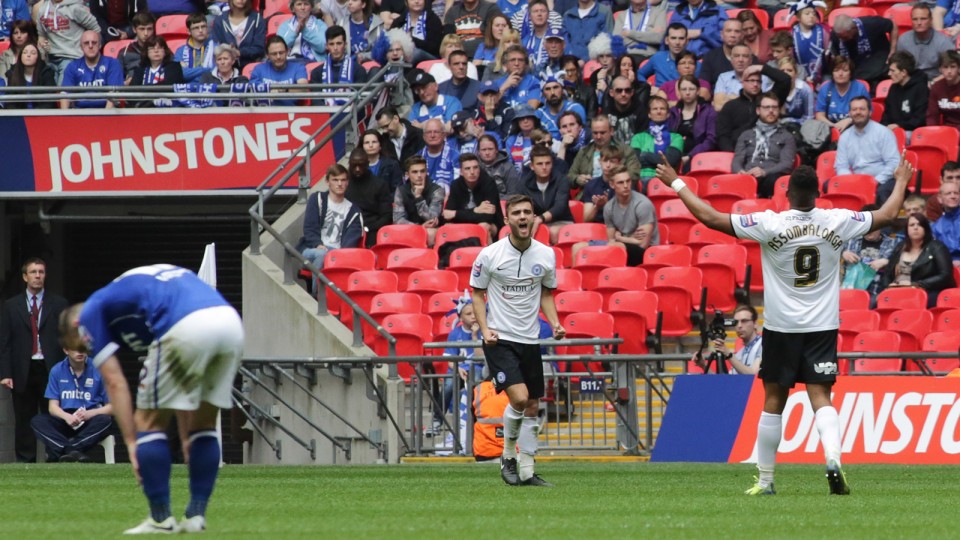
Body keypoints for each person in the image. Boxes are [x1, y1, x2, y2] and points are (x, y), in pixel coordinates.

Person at [655, 147, 914, 496]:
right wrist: (900, 181)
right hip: (822, 327)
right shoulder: (836, 219)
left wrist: (678, 184)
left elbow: (713, 218)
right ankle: (833, 459)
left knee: (773, 401)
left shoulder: (769, 222)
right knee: (821, 395)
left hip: (781, 328)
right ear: (818, 194)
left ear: (787, 194)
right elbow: (886, 213)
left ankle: (765, 481)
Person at [58, 264, 243, 534]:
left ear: (77, 325)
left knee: (147, 423)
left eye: (83, 344)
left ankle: (160, 519)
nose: (88, 349)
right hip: (229, 323)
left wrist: (132, 444)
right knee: (202, 425)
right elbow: (180, 385)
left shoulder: (91, 311)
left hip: (185, 326)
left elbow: (115, 381)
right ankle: (195, 516)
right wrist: (184, 435)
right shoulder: (134, 293)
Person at [469, 193, 565, 487]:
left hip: (530, 339)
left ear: (534, 218)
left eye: (528, 212)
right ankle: (508, 457)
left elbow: (547, 294)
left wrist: (556, 323)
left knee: (533, 405)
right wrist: (485, 330)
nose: (523, 217)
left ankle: (527, 469)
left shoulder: (546, 255)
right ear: (507, 219)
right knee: (520, 398)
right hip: (500, 339)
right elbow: (476, 293)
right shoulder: (490, 255)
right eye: (517, 213)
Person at [0, 258, 69, 463]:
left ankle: (55, 456)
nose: (37, 276)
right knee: (23, 416)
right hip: (23, 367)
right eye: (33, 272)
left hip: (51, 367)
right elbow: (5, 341)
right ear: (24, 277)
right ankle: (25, 460)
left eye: (41, 272)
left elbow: (65, 337)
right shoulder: (11, 306)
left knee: (54, 413)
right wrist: (5, 373)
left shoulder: (59, 304)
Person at [30, 345, 114, 463]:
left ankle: (66, 451)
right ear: (66, 350)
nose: (80, 352)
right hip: (66, 419)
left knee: (105, 420)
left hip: (90, 418)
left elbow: (112, 407)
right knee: (38, 421)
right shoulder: (57, 370)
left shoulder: (99, 369)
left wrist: (90, 414)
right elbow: (52, 407)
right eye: (75, 348)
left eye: (83, 348)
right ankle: (74, 452)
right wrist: (66, 417)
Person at [573, 165, 658, 265]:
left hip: (645, 252)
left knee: (616, 247)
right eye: (620, 182)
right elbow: (611, 240)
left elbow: (642, 244)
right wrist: (627, 239)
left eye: (628, 181)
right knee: (577, 248)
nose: (626, 186)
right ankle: (580, 278)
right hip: (621, 245)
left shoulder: (643, 204)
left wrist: (620, 238)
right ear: (612, 185)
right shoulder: (609, 207)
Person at [297, 163, 364, 272]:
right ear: (327, 182)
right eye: (335, 180)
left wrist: (339, 255)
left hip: (337, 254)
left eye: (343, 180)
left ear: (347, 182)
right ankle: (318, 289)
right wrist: (318, 244)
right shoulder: (317, 199)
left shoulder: (354, 211)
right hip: (312, 249)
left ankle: (320, 288)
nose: (339, 184)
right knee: (322, 254)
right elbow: (309, 228)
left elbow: (351, 241)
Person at [879, 214, 957, 306]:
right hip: (900, 291)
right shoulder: (900, 247)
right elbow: (887, 274)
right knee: (877, 303)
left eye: (919, 225)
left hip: (930, 291)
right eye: (912, 225)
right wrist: (888, 287)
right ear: (907, 229)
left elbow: (945, 275)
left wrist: (916, 285)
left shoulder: (937, 247)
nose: (915, 228)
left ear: (926, 228)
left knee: (911, 302)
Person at [835, 97, 901, 204]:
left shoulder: (883, 133)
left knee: (882, 192)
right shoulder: (844, 137)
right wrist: (850, 181)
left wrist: (874, 182)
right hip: (855, 181)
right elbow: (841, 166)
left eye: (862, 109)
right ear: (850, 113)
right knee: (830, 185)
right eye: (854, 109)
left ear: (870, 112)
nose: (858, 112)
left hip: (881, 181)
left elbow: (894, 164)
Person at [732, 91, 797, 198]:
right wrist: (740, 171)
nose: (771, 111)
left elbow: (786, 165)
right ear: (758, 110)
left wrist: (764, 172)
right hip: (748, 177)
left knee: (773, 180)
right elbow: (737, 159)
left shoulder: (786, 136)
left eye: (774, 107)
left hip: (770, 179)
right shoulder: (746, 135)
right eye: (767, 107)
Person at [715, 63, 791, 152]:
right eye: (751, 80)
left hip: (767, 152)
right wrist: (732, 154)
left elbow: (785, 80)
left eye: (758, 81)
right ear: (742, 82)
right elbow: (723, 136)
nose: (755, 84)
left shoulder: (769, 101)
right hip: (738, 153)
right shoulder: (730, 106)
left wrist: (761, 68)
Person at [33, 0, 101, 83]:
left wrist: (89, 51)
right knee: (49, 93)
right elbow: (41, 35)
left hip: (72, 57)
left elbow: (95, 29)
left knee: (63, 92)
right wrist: (42, 46)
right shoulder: (42, 10)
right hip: (50, 59)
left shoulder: (75, 8)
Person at [443, 153, 505, 242]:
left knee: (483, 226)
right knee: (447, 227)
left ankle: (488, 255)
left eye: (475, 167)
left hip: (492, 225)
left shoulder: (488, 183)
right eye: (467, 169)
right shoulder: (455, 185)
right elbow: (447, 215)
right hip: (464, 224)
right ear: (461, 172)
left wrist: (457, 214)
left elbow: (488, 216)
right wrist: (476, 210)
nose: (472, 172)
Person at [841, 204, 897, 302]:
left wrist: (887, 261)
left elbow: (903, 264)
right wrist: (842, 253)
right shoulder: (850, 241)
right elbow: (828, 251)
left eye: (872, 226)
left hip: (878, 292)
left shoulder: (892, 243)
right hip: (850, 291)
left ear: (880, 225)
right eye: (866, 226)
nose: (869, 230)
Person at [568, 115, 641, 189]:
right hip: (588, 194)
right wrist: (577, 179)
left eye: (602, 133)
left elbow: (634, 174)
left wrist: (614, 178)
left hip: (617, 193)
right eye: (595, 133)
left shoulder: (626, 150)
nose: (598, 137)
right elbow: (570, 176)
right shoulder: (583, 152)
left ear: (611, 131)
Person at [59, 31, 124, 109]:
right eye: (86, 43)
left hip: (106, 112)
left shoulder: (112, 63)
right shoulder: (72, 66)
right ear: (81, 47)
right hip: (79, 114)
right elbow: (65, 94)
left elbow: (113, 94)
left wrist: (106, 116)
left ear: (100, 45)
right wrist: (65, 118)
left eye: (94, 42)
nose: (90, 46)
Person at [830, 14, 897, 90]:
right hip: (857, 72)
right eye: (840, 37)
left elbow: (893, 25)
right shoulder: (836, 36)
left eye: (845, 37)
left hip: (881, 66)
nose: (842, 40)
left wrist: (893, 50)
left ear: (853, 29)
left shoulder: (871, 23)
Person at [522, 144, 573, 244]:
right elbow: (520, 205)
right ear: (532, 166)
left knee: (553, 232)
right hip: (535, 222)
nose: (544, 167)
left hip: (561, 221)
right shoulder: (524, 183)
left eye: (548, 163)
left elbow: (560, 206)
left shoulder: (561, 180)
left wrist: (540, 219)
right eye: (540, 164)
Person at [694, 304, 763, 374]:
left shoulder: (765, 345)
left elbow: (754, 376)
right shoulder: (739, 354)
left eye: (744, 321)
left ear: (755, 324)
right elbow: (725, 382)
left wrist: (729, 354)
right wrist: (703, 365)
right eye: (736, 322)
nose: (739, 326)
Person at [631, 95, 683, 187]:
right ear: (649, 114)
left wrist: (645, 155)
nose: (659, 111)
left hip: (665, 180)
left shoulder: (676, 137)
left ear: (668, 114)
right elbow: (634, 161)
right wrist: (657, 159)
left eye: (662, 109)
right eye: (655, 109)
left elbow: (671, 161)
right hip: (640, 179)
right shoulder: (638, 137)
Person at [345, 147, 392, 247]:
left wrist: (368, 228)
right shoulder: (343, 184)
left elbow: (387, 215)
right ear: (349, 164)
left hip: (372, 229)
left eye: (361, 165)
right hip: (346, 227)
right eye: (354, 165)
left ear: (367, 164)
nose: (357, 169)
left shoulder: (379, 185)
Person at [668, 74, 717, 169]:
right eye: (684, 89)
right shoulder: (672, 112)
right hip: (675, 154)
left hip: (699, 156)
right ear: (679, 92)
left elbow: (711, 140)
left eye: (691, 89)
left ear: (698, 91)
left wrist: (690, 156)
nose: (687, 93)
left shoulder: (709, 112)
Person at [392, 155, 444, 245]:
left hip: (431, 230)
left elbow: (432, 218)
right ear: (407, 174)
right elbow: (398, 219)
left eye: (422, 171)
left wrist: (418, 197)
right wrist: (419, 227)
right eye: (415, 172)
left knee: (430, 233)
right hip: (409, 229)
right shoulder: (401, 190)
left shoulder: (437, 190)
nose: (419, 175)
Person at [813, 56, 870, 133]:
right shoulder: (825, 88)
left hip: (855, 128)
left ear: (850, 73)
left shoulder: (860, 88)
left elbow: (868, 113)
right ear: (832, 73)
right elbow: (819, 115)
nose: (840, 74)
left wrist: (849, 120)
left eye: (845, 70)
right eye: (836, 70)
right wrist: (834, 126)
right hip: (830, 128)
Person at [899, 3, 954, 81]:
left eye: (923, 19)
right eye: (915, 19)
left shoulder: (943, 42)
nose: (919, 22)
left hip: (936, 83)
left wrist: (933, 83)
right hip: (911, 82)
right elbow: (899, 67)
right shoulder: (903, 40)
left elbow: (953, 70)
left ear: (931, 20)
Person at [882, 51, 929, 136]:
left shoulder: (921, 89)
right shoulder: (893, 88)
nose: (889, 74)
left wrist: (899, 125)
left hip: (913, 132)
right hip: (892, 131)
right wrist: (885, 126)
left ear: (903, 72)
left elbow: (919, 119)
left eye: (893, 71)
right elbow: (886, 114)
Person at [713, 44, 770, 112]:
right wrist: (747, 100)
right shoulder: (723, 77)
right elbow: (718, 106)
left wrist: (731, 98)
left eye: (745, 56)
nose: (740, 60)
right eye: (737, 56)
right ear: (731, 60)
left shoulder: (763, 78)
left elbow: (764, 107)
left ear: (751, 60)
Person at [251, 36, 307, 106]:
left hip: (290, 113)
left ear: (287, 52)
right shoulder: (258, 69)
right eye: (274, 54)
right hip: (264, 112)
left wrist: (283, 90)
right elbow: (252, 91)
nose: (278, 57)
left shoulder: (298, 68)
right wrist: (270, 91)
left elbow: (303, 88)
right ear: (267, 55)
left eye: (281, 53)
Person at [210, 0, 266, 68]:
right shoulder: (220, 20)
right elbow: (216, 46)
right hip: (226, 68)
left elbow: (259, 48)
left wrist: (239, 52)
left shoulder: (257, 19)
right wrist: (228, 50)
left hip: (251, 67)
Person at [4, 43, 57, 109]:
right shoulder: (12, 73)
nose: (28, 55)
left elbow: (49, 101)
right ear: (20, 56)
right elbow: (10, 102)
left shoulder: (46, 72)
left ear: (38, 57)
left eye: (33, 53)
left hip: (42, 115)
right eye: (25, 53)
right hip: (19, 116)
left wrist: (34, 115)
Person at [602, 75, 651, 145]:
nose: (623, 94)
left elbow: (643, 141)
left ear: (632, 93)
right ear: (611, 93)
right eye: (619, 90)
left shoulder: (641, 112)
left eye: (627, 90)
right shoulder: (606, 111)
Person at [787, 0, 827, 85]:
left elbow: (828, 56)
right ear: (798, 18)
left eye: (814, 13)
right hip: (799, 76)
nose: (811, 16)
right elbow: (790, 59)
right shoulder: (792, 34)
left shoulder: (823, 31)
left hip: (822, 74)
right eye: (807, 14)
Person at [698, 18, 745, 90]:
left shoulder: (750, 58)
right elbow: (704, 84)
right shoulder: (710, 56)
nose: (732, 35)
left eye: (737, 31)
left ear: (742, 36)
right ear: (722, 34)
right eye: (729, 31)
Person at [535, 75, 586, 140]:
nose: (552, 92)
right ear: (543, 93)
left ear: (562, 90)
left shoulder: (576, 109)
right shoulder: (539, 114)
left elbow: (582, 136)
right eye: (547, 89)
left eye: (556, 87)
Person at [580, 144, 622, 224]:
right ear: (600, 161)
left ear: (619, 163)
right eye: (605, 160)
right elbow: (586, 219)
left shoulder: (624, 183)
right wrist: (597, 207)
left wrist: (607, 205)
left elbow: (626, 218)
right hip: (596, 228)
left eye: (612, 161)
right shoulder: (591, 185)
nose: (608, 165)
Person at [419, 117, 461, 189]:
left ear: (444, 135)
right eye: (429, 132)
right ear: (424, 136)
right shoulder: (417, 157)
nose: (432, 135)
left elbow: (458, 184)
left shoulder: (455, 157)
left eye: (436, 132)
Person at [478, 135, 523, 200]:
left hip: (503, 205)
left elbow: (514, 196)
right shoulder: (474, 167)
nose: (487, 153)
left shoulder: (508, 167)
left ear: (496, 150)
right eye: (483, 150)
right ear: (478, 152)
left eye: (490, 149)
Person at [173, 13, 215, 83]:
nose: (200, 30)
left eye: (203, 26)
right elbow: (181, 74)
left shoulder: (216, 48)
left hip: (209, 90)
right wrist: (206, 69)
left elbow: (216, 72)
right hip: (186, 91)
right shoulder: (180, 51)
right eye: (196, 28)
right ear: (189, 31)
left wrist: (190, 71)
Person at [496, 44, 542, 109]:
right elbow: (489, 107)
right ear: (506, 64)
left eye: (520, 60)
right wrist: (504, 87)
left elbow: (531, 108)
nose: (516, 63)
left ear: (526, 64)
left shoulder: (533, 82)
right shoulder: (497, 83)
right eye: (512, 60)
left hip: (523, 118)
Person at [927, 51, 960, 129]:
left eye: (952, 67)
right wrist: (933, 132)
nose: (949, 71)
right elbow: (932, 116)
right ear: (940, 69)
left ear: (959, 68)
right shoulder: (937, 87)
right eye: (945, 67)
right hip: (947, 130)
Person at [778, 56, 814, 125]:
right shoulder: (774, 89)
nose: (786, 73)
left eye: (789, 70)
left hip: (801, 127)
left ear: (796, 74)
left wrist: (789, 120)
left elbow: (809, 119)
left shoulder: (805, 90)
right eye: (782, 71)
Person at [932, 180, 960, 265]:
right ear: (940, 198)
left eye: (956, 193)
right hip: (947, 267)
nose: (953, 196)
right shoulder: (935, 227)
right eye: (948, 193)